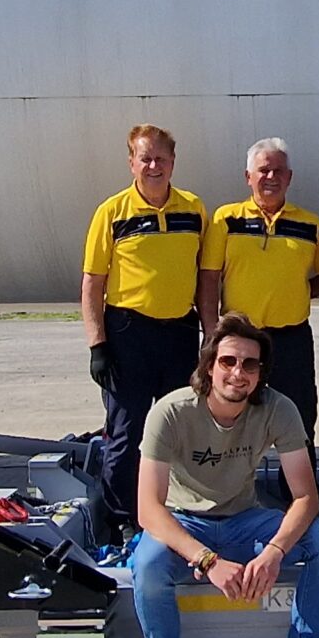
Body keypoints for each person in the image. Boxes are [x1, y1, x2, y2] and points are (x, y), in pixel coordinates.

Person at [131, 314, 319, 638]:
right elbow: (148, 509)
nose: (238, 372)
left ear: (261, 373)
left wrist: (274, 552)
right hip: (183, 522)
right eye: (228, 361)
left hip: (245, 521)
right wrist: (208, 561)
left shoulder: (278, 409)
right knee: (148, 565)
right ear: (209, 365)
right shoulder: (171, 412)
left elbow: (306, 497)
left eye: (250, 365)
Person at [81, 125, 205, 526]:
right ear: (132, 162)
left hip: (179, 333)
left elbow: (205, 277)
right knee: (126, 433)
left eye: (161, 159)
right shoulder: (111, 212)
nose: (153, 166)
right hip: (128, 334)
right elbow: (92, 283)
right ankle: (121, 520)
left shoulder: (193, 209)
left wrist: (211, 335)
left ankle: (177, 514)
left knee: (179, 430)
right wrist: (97, 345)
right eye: (145, 158)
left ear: (173, 162)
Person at [198, 138, 319, 442]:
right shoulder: (225, 219)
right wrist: (211, 332)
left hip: (291, 339)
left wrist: (295, 292)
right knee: (230, 415)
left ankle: (296, 489)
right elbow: (208, 278)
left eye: (279, 171)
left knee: (299, 418)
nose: (271, 177)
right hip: (240, 339)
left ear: (289, 177)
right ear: (248, 177)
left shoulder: (310, 224)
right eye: (263, 170)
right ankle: (228, 486)